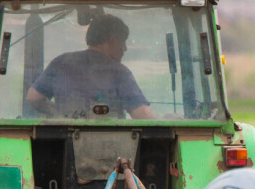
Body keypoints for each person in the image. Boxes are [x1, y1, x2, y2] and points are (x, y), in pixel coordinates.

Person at [25, 14, 158, 120]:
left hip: (63, 141)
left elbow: (33, 97)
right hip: (110, 142)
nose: (125, 48)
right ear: (112, 41)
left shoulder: (60, 63)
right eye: (123, 42)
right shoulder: (119, 72)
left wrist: (59, 114)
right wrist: (165, 121)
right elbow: (141, 114)